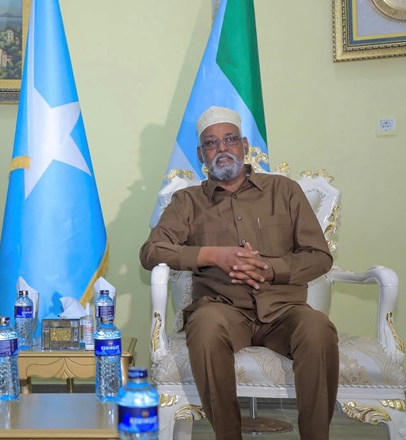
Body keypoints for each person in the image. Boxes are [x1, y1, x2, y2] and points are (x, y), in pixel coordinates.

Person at [140, 106, 338, 440]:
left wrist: (271, 269)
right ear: (201, 154)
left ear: (245, 145)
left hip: (284, 310)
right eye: (211, 143)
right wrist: (213, 255)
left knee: (318, 329)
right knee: (204, 328)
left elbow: (319, 257)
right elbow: (151, 252)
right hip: (221, 308)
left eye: (230, 139)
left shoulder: (284, 191)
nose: (222, 148)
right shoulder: (187, 201)